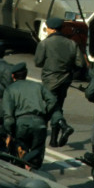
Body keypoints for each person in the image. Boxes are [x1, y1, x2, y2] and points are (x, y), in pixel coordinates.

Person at [35, 17, 85, 147]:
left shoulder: (45, 43)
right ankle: (53, 140)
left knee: (49, 108)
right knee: (58, 106)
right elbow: (80, 63)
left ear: (51, 29)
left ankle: (63, 126)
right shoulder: (71, 43)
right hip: (65, 80)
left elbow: (38, 62)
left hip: (50, 80)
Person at [0, 62, 55, 169]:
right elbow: (52, 100)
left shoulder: (10, 90)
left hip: (21, 125)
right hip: (39, 123)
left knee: (20, 155)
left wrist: (9, 133)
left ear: (13, 76)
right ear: (26, 74)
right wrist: (45, 116)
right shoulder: (37, 86)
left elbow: (8, 118)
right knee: (36, 154)